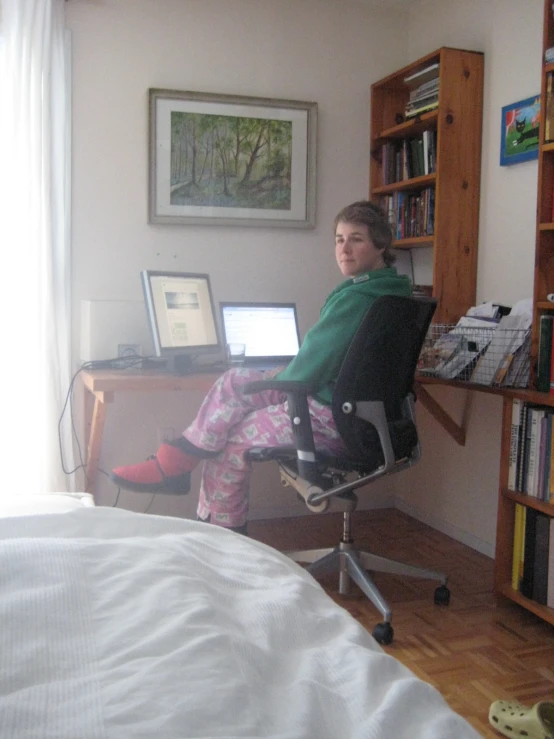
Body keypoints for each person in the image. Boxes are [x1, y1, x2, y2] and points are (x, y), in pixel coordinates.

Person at [110, 200, 411, 533]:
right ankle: (178, 465)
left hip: (331, 420)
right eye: (339, 239)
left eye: (356, 239)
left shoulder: (358, 298)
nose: (344, 248)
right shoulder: (392, 293)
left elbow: (308, 372)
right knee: (233, 381)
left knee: (230, 434)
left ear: (380, 244)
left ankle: (219, 533)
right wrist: (278, 376)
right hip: (361, 419)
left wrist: (277, 377)